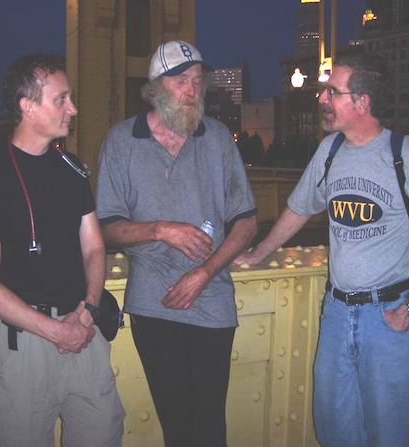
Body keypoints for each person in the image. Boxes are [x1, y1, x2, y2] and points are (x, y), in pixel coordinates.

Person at [234, 53, 409, 447]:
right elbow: (298, 209)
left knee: (384, 435)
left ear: (362, 103)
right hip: (338, 312)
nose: (323, 99)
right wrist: (258, 254)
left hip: (388, 316)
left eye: (332, 92)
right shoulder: (330, 152)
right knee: (333, 429)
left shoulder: (408, 157)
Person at [0, 54, 125, 447]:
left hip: (83, 328)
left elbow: (94, 247)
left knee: (103, 434)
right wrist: (55, 331)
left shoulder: (72, 169)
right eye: (61, 99)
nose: (73, 108)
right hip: (24, 343)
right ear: (27, 107)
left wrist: (89, 312)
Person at [96, 40, 258, 447]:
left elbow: (247, 223)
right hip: (155, 303)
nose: (193, 89)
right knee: (177, 425)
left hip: (212, 299)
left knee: (209, 426)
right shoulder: (120, 141)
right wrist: (161, 229)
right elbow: (107, 226)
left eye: (198, 81)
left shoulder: (218, 138)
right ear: (155, 87)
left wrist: (205, 272)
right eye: (182, 80)